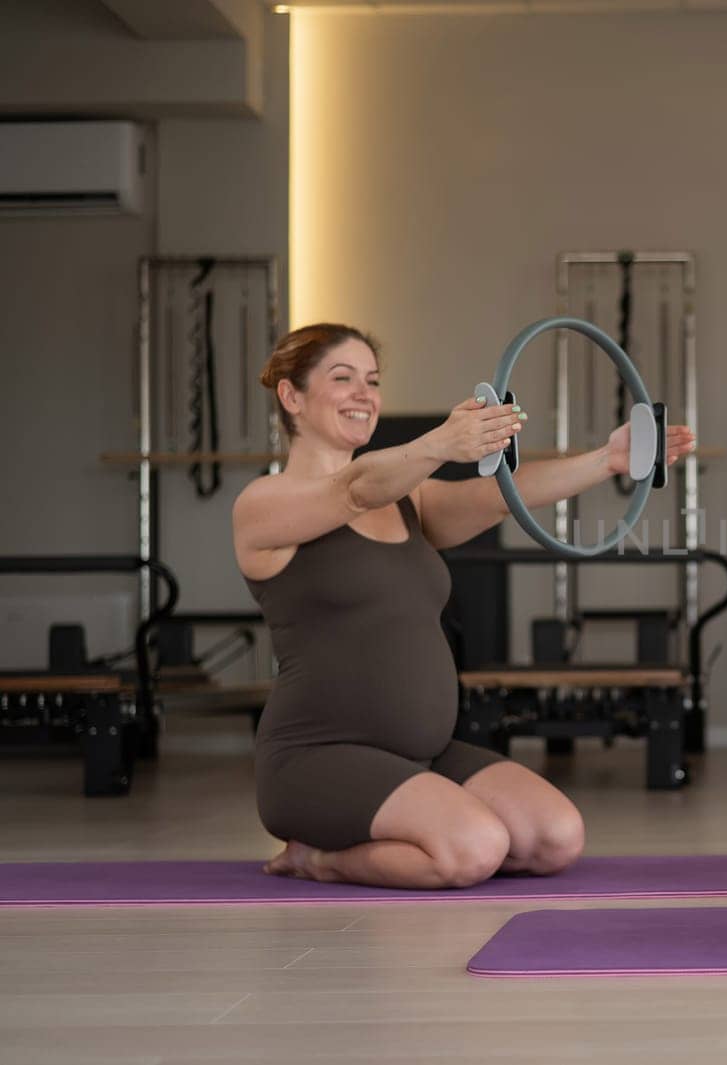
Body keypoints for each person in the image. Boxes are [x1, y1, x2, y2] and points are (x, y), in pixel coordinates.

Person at [233, 323, 694, 889]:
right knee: (474, 849)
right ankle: (317, 860)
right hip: (315, 761)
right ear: (291, 396)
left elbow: (502, 497)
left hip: (419, 756)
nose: (364, 393)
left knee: (557, 837)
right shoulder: (263, 505)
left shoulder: (409, 501)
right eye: (343, 378)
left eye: (373, 381)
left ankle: (422, 819)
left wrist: (607, 460)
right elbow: (352, 490)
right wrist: (440, 443)